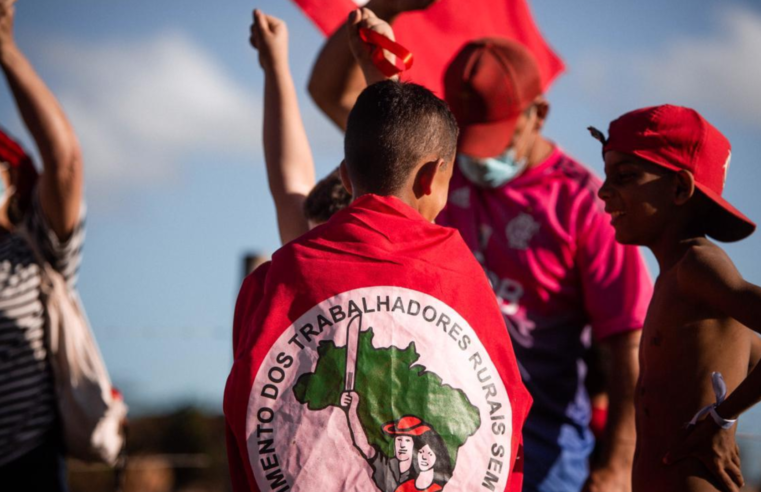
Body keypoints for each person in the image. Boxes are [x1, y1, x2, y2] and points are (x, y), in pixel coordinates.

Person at [308, 6, 652, 492]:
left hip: (545, 457)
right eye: (464, 138)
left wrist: (617, 466)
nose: (474, 156)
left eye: (492, 138)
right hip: (442, 448)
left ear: (539, 114)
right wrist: (382, 9)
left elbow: (627, 347)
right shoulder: (432, 170)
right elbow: (330, 94)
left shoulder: (583, 204)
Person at [225, 10, 531, 492]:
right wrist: (383, 77)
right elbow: (504, 413)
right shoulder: (452, 272)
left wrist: (276, 66)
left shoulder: (291, 273)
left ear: (346, 180)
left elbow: (293, 178)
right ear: (433, 179)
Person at [594, 104, 761, 492]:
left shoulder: (698, 265)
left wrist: (722, 419)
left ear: (680, 188)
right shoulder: (675, 277)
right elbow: (748, 352)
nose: (604, 191)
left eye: (625, 176)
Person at [0, 0, 85, 490]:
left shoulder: (34, 250)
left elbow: (65, 161)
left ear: (12, 182)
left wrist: (7, 52)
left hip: (23, 466)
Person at [340, 393, 419, 492]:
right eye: (399, 440)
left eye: (407, 440)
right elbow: (363, 445)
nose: (402, 445)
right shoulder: (386, 465)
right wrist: (351, 411)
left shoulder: (422, 471)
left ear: (414, 445)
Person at [395, 426, 453, 492]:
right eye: (421, 452)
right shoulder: (404, 485)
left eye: (429, 453)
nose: (424, 457)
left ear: (437, 457)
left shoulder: (442, 487)